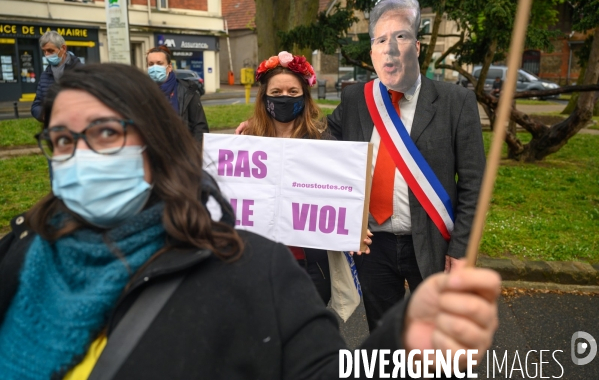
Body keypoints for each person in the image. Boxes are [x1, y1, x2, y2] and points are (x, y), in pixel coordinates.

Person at [0, 63, 499, 379]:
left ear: (154, 141)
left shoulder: (249, 269)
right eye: (63, 140)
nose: (80, 155)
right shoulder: (18, 252)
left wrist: (401, 339)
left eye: (105, 133)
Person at [326, 0, 486, 331]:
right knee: (385, 342)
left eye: (401, 36)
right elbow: (321, 144)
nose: (391, 48)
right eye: (381, 39)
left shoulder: (456, 102)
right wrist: (265, 126)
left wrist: (460, 252)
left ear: (417, 45)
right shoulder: (356, 98)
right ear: (372, 51)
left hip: (432, 246)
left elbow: (475, 185)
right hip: (373, 247)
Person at [241, 51, 370, 306]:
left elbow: (342, 192)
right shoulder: (246, 144)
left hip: (311, 265)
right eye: (276, 93)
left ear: (305, 95)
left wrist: (355, 223)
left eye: (292, 92)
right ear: (264, 97)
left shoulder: (324, 140)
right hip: (257, 262)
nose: (284, 98)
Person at [146, 46, 209, 144]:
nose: (155, 68)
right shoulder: (141, 92)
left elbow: (199, 128)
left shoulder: (188, 90)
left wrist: (194, 154)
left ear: (169, 67)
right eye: (151, 64)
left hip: (182, 153)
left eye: (159, 63)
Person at [31, 31, 83, 122]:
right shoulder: (45, 75)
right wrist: (42, 114)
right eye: (44, 51)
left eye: (50, 50)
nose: (47, 55)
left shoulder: (81, 71)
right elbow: (36, 104)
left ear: (63, 48)